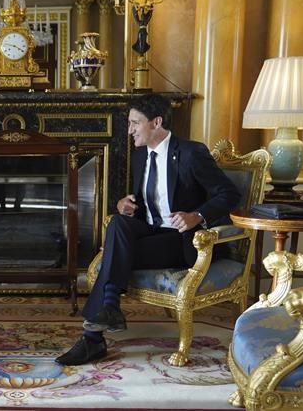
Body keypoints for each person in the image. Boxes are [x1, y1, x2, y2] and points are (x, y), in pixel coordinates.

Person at [56, 94, 240, 366]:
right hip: (152, 233)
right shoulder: (141, 155)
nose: (129, 130)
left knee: (115, 255)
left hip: (182, 240)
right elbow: (147, 203)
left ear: (156, 122)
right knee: (118, 223)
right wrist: (125, 205)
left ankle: (93, 337)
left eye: (135, 123)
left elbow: (229, 193)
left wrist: (196, 216)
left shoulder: (191, 153)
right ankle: (108, 309)